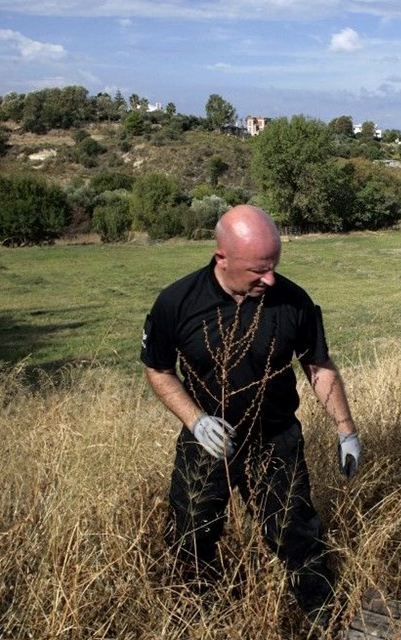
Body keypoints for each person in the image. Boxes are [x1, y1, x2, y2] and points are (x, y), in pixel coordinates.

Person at [140, 205, 361, 627]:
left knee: (295, 534)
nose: (270, 279)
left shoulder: (293, 301)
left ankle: (324, 621)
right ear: (221, 257)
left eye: (274, 266)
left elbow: (318, 367)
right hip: (206, 442)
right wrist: (195, 420)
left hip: (276, 439)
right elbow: (159, 369)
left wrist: (345, 429)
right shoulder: (177, 302)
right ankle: (197, 617)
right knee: (192, 534)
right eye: (258, 270)